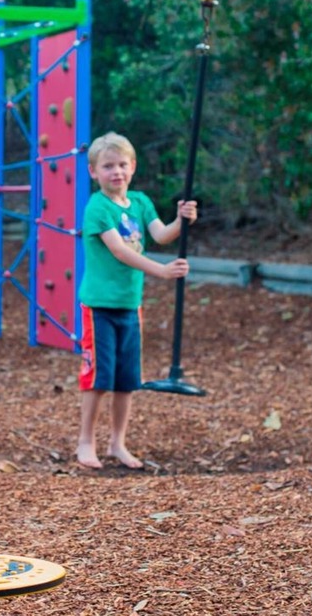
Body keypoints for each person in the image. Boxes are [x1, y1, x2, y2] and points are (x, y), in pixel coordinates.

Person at [76, 132, 197, 471]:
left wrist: (181, 219)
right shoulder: (98, 207)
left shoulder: (141, 203)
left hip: (130, 304)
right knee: (98, 377)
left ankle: (118, 443)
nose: (116, 172)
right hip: (99, 306)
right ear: (93, 172)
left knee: (127, 379)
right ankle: (86, 441)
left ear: (133, 167)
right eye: (108, 166)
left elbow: (161, 234)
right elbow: (119, 250)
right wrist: (161, 270)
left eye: (122, 165)